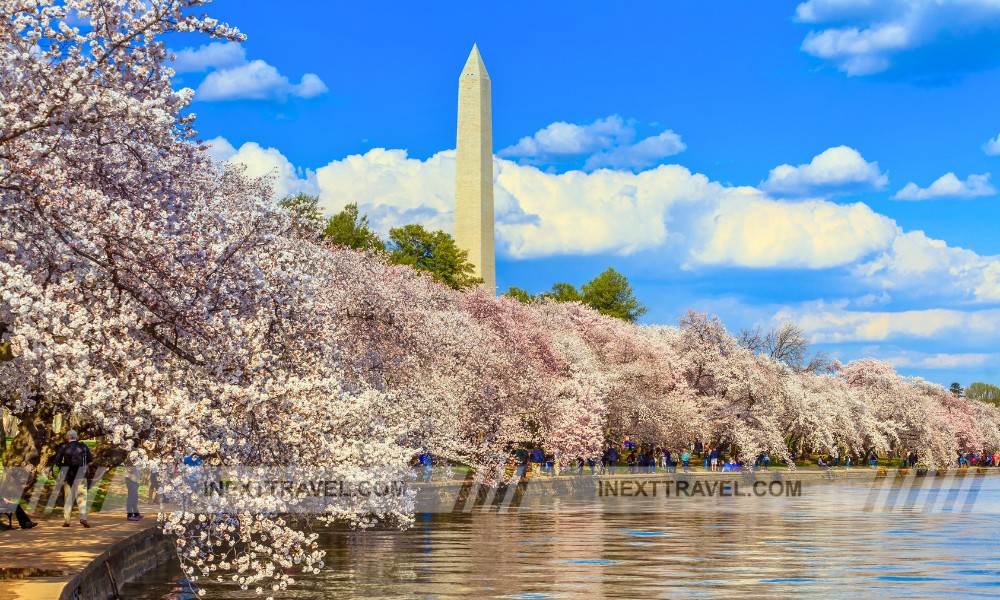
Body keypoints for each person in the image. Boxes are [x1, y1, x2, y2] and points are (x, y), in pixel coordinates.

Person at [52, 429, 94, 528]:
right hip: (81, 475)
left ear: (67, 438)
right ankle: (83, 517)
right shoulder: (83, 446)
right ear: (76, 437)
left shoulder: (64, 447)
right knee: (82, 497)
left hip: (68, 475)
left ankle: (67, 521)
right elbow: (90, 459)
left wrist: (64, 465)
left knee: (68, 498)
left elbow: (57, 461)